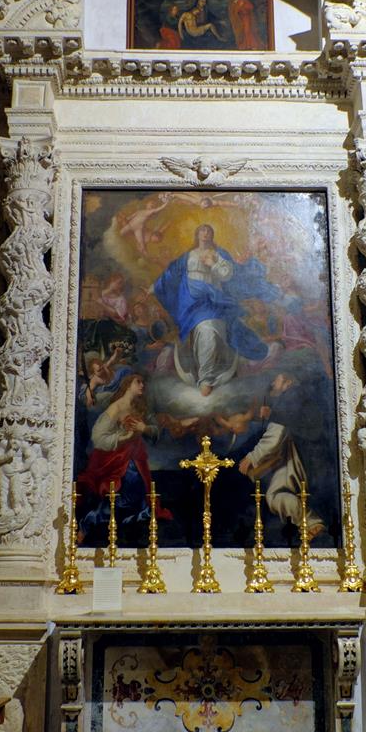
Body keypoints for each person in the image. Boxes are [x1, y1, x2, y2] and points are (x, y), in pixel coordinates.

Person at [151, 224, 280, 396]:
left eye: (209, 231)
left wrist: (213, 264)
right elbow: (170, 274)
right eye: (202, 231)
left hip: (212, 300)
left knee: (208, 329)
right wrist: (154, 287)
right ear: (197, 234)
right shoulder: (188, 256)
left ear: (212, 235)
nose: (205, 234)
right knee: (200, 331)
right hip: (190, 303)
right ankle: (201, 373)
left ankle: (206, 378)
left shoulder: (219, 254)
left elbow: (228, 275)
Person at [76, 374, 171, 540]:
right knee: (124, 496)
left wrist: (145, 428)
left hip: (136, 458)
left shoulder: (141, 407)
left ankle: (124, 524)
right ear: (128, 385)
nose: (142, 385)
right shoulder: (116, 408)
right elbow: (98, 437)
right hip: (115, 458)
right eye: (138, 382)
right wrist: (124, 438)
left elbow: (156, 432)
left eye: (143, 382)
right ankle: (90, 521)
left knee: (140, 495)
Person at [238, 372, 325, 538]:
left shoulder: (291, 395)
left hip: (298, 454)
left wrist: (252, 457)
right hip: (297, 453)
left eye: (276, 379)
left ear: (288, 381)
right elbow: (291, 421)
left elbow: (276, 434)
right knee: (274, 494)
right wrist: (272, 414)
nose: (272, 383)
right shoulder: (296, 395)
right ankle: (308, 522)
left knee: (275, 496)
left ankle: (309, 522)